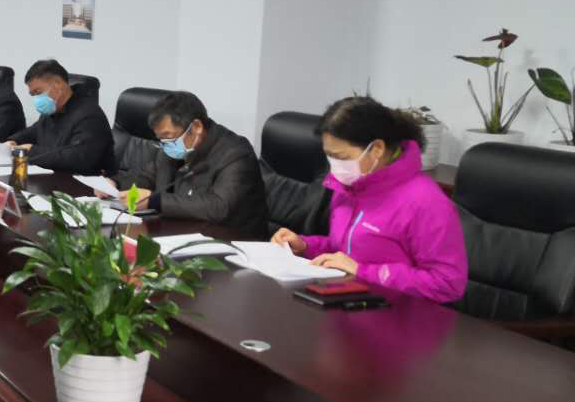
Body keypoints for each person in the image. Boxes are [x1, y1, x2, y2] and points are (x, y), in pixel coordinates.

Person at [272, 97, 468, 302]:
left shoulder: (426, 202)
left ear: (376, 150)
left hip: (396, 312)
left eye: (342, 157)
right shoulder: (351, 185)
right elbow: (345, 250)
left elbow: (447, 283)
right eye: (329, 156)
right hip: (346, 302)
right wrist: (305, 246)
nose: (335, 166)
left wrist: (363, 272)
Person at [110, 91, 268, 238]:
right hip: (180, 233)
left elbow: (219, 207)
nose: (165, 144)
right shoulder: (171, 146)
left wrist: (156, 201)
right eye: (161, 139)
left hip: (232, 241)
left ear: (196, 127)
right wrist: (114, 184)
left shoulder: (235, 153)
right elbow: (147, 177)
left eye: (168, 136)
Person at [6, 59, 114, 173]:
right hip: (53, 177)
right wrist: (14, 141)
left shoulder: (89, 115)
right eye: (33, 95)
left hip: (83, 181)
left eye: (38, 92)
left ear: (58, 84)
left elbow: (79, 158)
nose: (37, 99)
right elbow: (36, 130)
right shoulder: (53, 109)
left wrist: (32, 151)